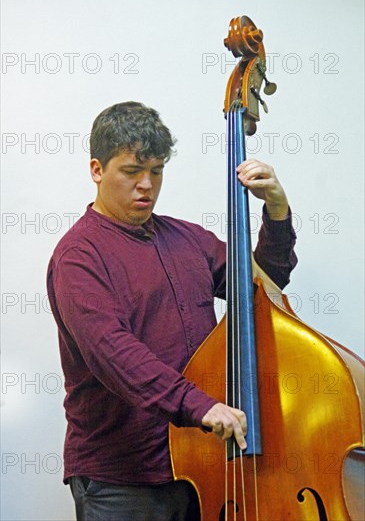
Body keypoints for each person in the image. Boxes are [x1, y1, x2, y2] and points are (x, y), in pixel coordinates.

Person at [47, 101, 297, 521]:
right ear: (96, 169)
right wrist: (200, 406)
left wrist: (275, 208)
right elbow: (114, 353)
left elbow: (262, 290)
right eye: (131, 171)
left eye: (157, 171)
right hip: (121, 481)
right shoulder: (78, 257)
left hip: (199, 467)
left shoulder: (188, 239)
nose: (146, 185)